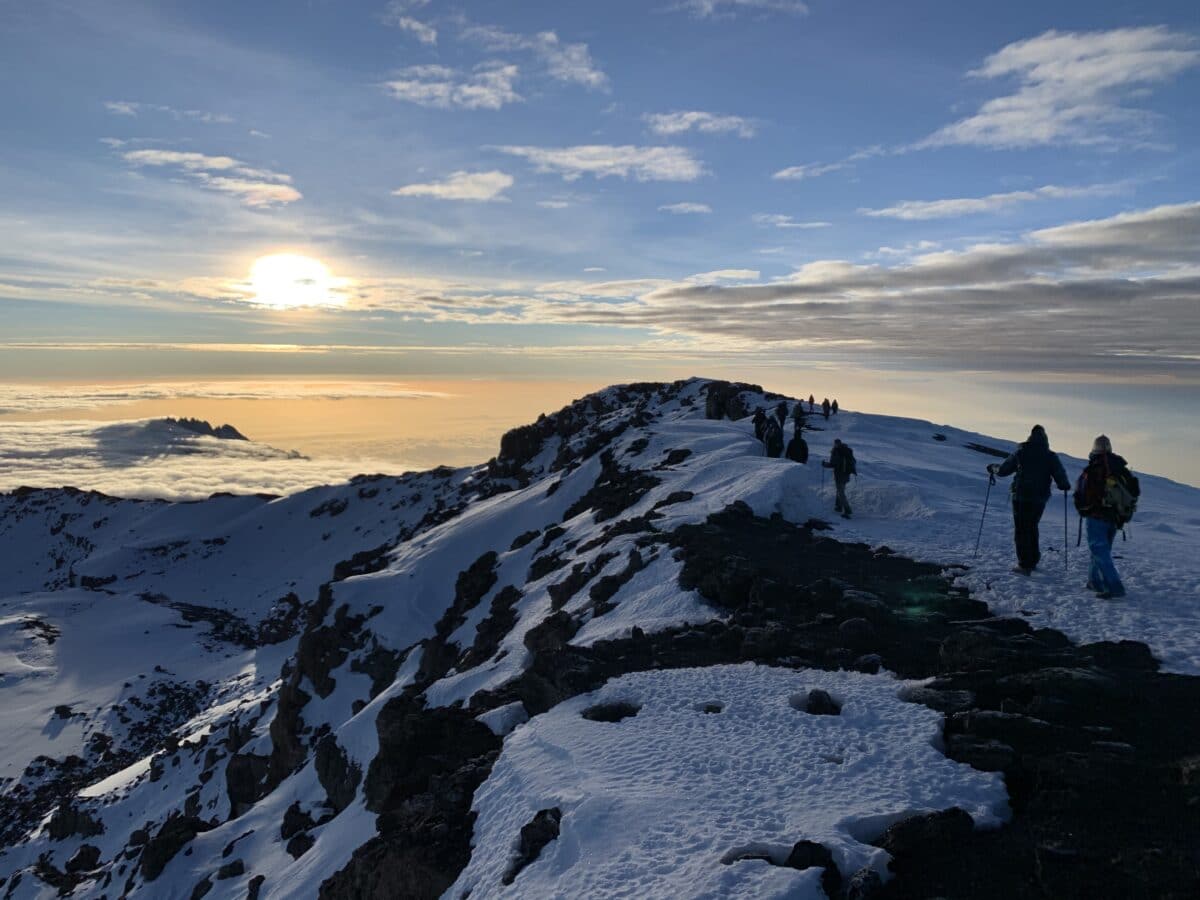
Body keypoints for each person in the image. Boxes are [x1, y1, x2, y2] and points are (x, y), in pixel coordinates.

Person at [987, 424, 1070, 575]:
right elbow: (1060, 475)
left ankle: (1025, 564)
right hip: (1040, 498)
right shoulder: (1050, 456)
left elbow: (1004, 470)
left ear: (1030, 437)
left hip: (1021, 496)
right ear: (1045, 439)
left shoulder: (1021, 452)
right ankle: (1033, 559)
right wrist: (1064, 485)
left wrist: (993, 468)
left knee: (1021, 529)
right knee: (1032, 526)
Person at [1073, 435, 1139, 599]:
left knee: (1099, 551)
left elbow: (1081, 492)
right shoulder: (1120, 468)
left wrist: (1083, 509)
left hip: (1096, 516)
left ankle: (1114, 587)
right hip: (1115, 517)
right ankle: (1094, 581)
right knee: (1101, 550)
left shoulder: (1093, 469)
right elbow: (1134, 491)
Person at [822, 438, 856, 518]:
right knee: (840, 490)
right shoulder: (847, 450)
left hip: (839, 474)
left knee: (841, 493)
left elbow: (833, 464)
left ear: (835, 444)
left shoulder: (836, 451)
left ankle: (847, 510)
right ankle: (839, 507)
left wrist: (825, 464)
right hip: (846, 474)